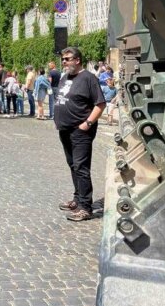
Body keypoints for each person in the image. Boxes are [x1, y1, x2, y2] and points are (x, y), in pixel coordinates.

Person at [54, 47, 106, 222]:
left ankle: (85, 207)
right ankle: (77, 199)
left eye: (67, 59)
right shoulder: (65, 77)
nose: (64, 62)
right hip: (65, 129)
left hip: (80, 131)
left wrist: (87, 124)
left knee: (81, 168)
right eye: (63, 59)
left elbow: (100, 104)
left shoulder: (89, 79)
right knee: (73, 166)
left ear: (77, 60)